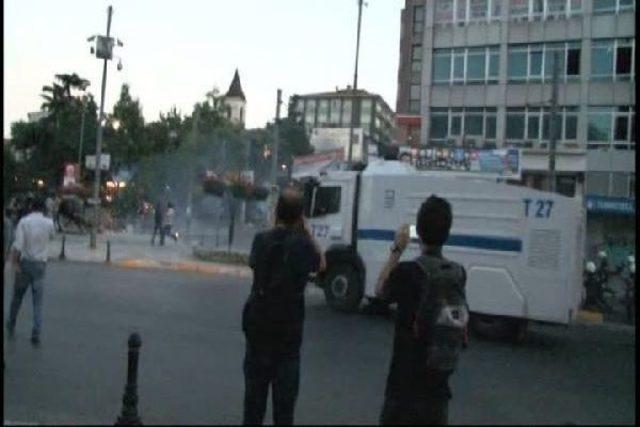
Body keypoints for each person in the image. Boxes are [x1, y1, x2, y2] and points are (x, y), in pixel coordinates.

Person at [375, 195, 468, 425]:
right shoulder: (457, 273)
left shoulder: (408, 272)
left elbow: (380, 290)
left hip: (404, 387)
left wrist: (397, 249)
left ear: (420, 233)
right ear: (447, 233)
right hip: (438, 390)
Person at [242, 186, 324, 425]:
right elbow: (322, 265)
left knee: (253, 409)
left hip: (258, 334)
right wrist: (307, 232)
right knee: (284, 412)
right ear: (300, 217)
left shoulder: (261, 241)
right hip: (287, 340)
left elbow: (254, 264)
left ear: (276, 212)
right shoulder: (303, 246)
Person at [6, 196, 56, 347]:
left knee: (17, 298)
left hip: (25, 263)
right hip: (40, 265)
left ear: (31, 207)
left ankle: (11, 323)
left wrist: (14, 264)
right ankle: (36, 331)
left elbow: (18, 245)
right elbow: (52, 237)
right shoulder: (49, 223)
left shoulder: (24, 222)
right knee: (37, 302)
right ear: (43, 209)